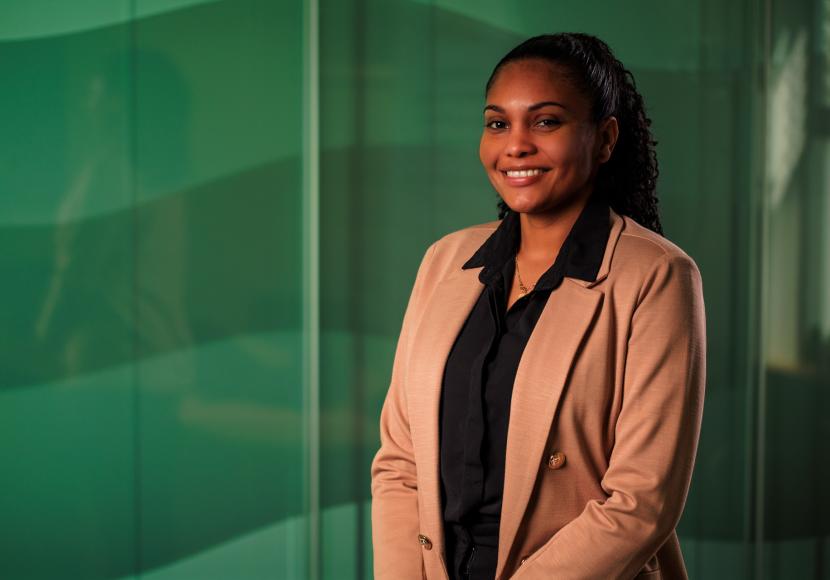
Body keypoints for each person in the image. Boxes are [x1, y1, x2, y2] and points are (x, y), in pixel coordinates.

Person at [370, 32, 706, 580]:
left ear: (604, 139)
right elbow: (398, 463)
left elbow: (642, 503)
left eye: (546, 122)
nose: (515, 145)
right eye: (498, 123)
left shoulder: (657, 276)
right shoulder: (445, 261)